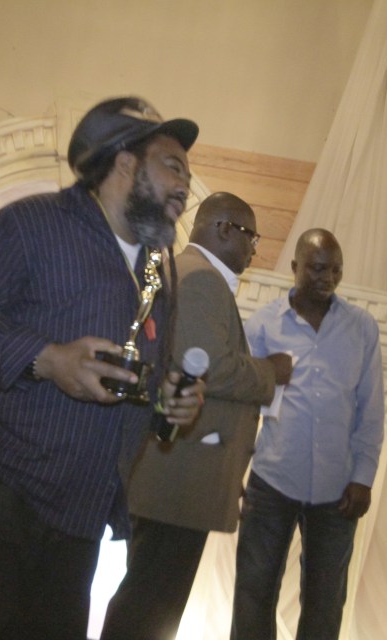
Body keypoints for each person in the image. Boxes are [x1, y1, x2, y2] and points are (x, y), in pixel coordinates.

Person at [0, 96, 206, 640]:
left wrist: (168, 402)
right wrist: (47, 358)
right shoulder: (32, 224)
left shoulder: (159, 268)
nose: (185, 184)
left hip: (78, 522)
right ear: (125, 163)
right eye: (173, 166)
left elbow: (140, 371)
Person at [101, 192, 292, 640]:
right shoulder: (201, 278)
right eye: (251, 237)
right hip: (180, 478)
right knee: (150, 607)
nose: (253, 250)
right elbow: (207, 365)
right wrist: (271, 372)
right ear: (223, 228)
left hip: (177, 471)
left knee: (146, 598)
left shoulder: (185, 272)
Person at [230, 228, 385, 640]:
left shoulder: (362, 328)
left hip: (339, 488)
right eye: (317, 268)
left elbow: (370, 408)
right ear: (295, 267)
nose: (327, 278)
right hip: (272, 480)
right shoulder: (263, 325)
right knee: (253, 592)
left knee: (325, 601)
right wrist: (233, 469)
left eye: (336, 270)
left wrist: (364, 477)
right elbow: (243, 404)